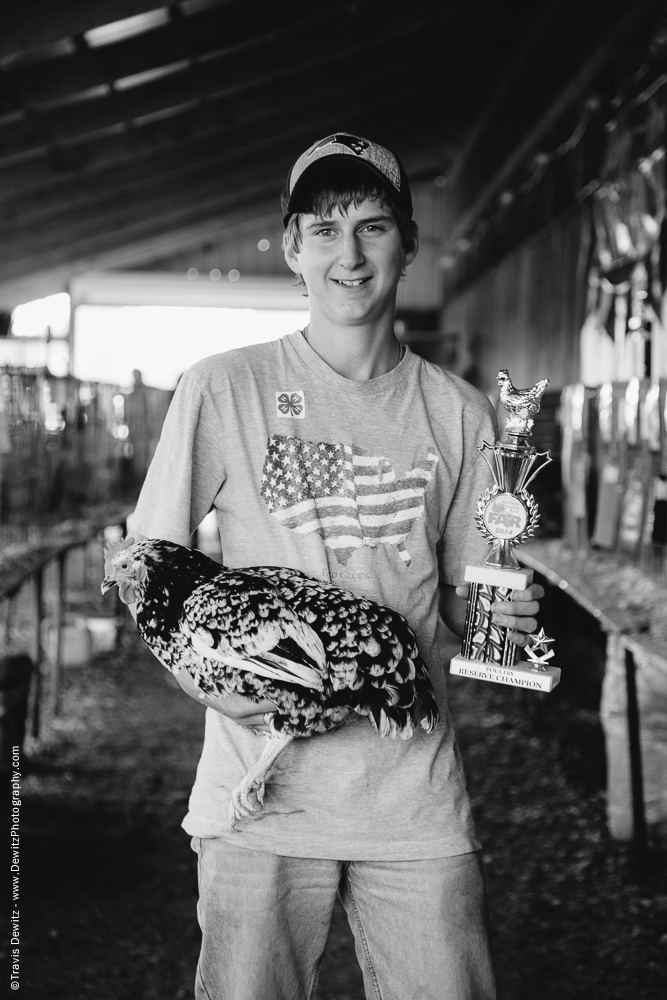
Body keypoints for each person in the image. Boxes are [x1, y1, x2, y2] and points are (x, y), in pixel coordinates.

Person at [127, 133, 544, 1000]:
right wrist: (212, 681)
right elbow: (150, 570)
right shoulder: (224, 387)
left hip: (413, 798)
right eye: (323, 230)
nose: (347, 255)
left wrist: (511, 627)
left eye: (373, 227)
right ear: (291, 249)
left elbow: (472, 611)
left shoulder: (461, 414)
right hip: (261, 795)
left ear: (409, 245)